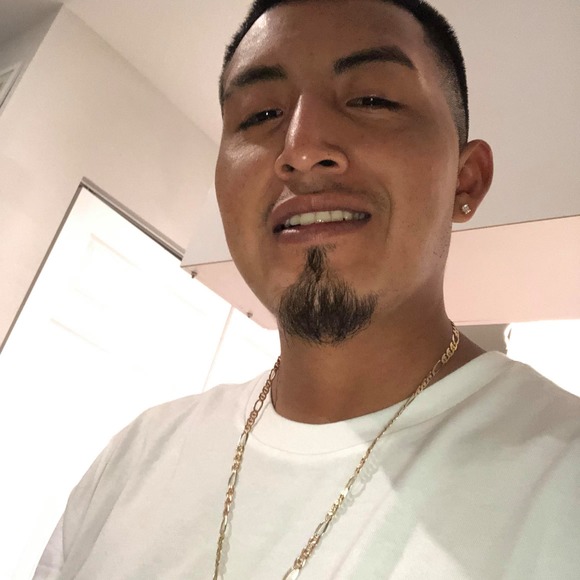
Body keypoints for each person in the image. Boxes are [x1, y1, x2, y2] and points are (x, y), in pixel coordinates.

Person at [34, 0, 580, 578]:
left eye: (372, 100)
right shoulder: (133, 460)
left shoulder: (560, 477)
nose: (300, 149)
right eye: (261, 114)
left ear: (465, 182)